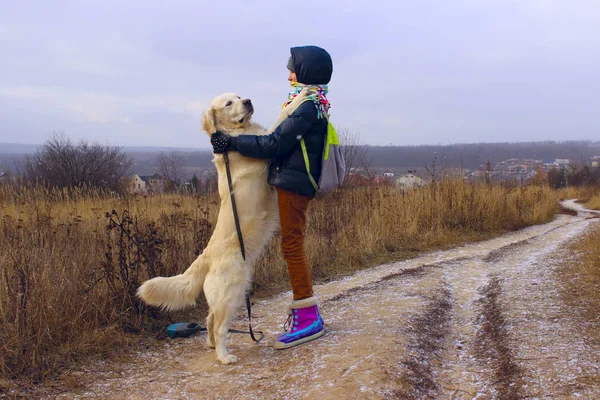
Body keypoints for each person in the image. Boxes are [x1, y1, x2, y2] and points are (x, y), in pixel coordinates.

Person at [210, 45, 333, 349]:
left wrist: (232, 143)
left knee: (292, 245)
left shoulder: (306, 107)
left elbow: (274, 143)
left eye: (293, 69)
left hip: (296, 183)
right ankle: (306, 312)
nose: (289, 75)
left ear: (306, 71)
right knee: (291, 244)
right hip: (293, 180)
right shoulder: (308, 101)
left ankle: (307, 317)